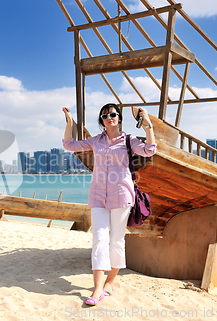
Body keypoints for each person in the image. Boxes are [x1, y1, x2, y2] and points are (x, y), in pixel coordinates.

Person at [62, 103, 156, 306]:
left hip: (121, 195)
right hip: (97, 195)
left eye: (113, 114)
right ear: (102, 120)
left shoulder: (129, 140)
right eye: (105, 115)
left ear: (119, 118)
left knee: (116, 240)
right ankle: (97, 288)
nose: (109, 117)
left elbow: (149, 150)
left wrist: (148, 125)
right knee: (98, 239)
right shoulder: (96, 141)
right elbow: (69, 145)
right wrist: (70, 122)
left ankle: (110, 282)